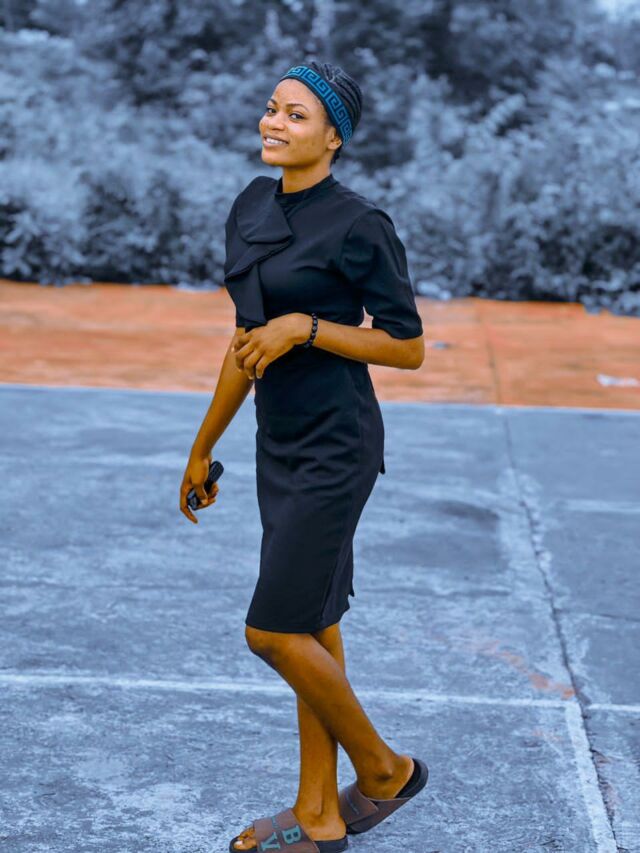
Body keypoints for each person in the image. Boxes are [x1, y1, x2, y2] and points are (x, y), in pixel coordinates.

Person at [180, 61, 429, 853]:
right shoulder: (251, 205)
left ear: (333, 137)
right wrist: (203, 445)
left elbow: (408, 346)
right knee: (313, 622)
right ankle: (318, 814)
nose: (274, 123)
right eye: (271, 108)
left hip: (337, 442)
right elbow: (245, 340)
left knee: (271, 631)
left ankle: (384, 769)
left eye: (296, 114)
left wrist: (307, 328)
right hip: (277, 439)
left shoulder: (360, 224)